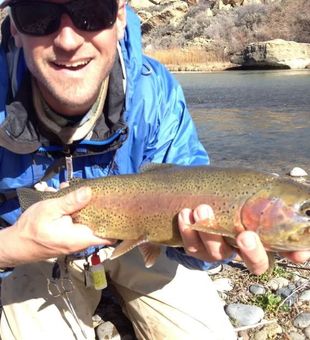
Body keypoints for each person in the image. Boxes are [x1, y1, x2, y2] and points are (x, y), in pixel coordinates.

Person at [0, 1, 308, 339]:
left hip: (144, 241)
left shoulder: (154, 91)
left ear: (119, 17)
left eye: (91, 12)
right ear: (14, 24)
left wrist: (204, 253)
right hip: (32, 252)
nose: (68, 40)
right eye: (38, 15)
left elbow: (193, 208)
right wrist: (11, 247)